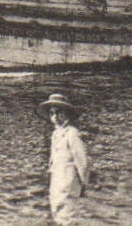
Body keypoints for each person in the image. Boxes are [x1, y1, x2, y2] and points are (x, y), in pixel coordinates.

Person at [39, 93, 89, 224]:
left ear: (67, 113)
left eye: (59, 112)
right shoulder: (56, 134)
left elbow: (82, 162)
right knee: (56, 214)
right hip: (56, 184)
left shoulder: (72, 133)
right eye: (52, 113)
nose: (55, 117)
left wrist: (84, 183)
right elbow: (53, 161)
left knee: (68, 218)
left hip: (69, 184)